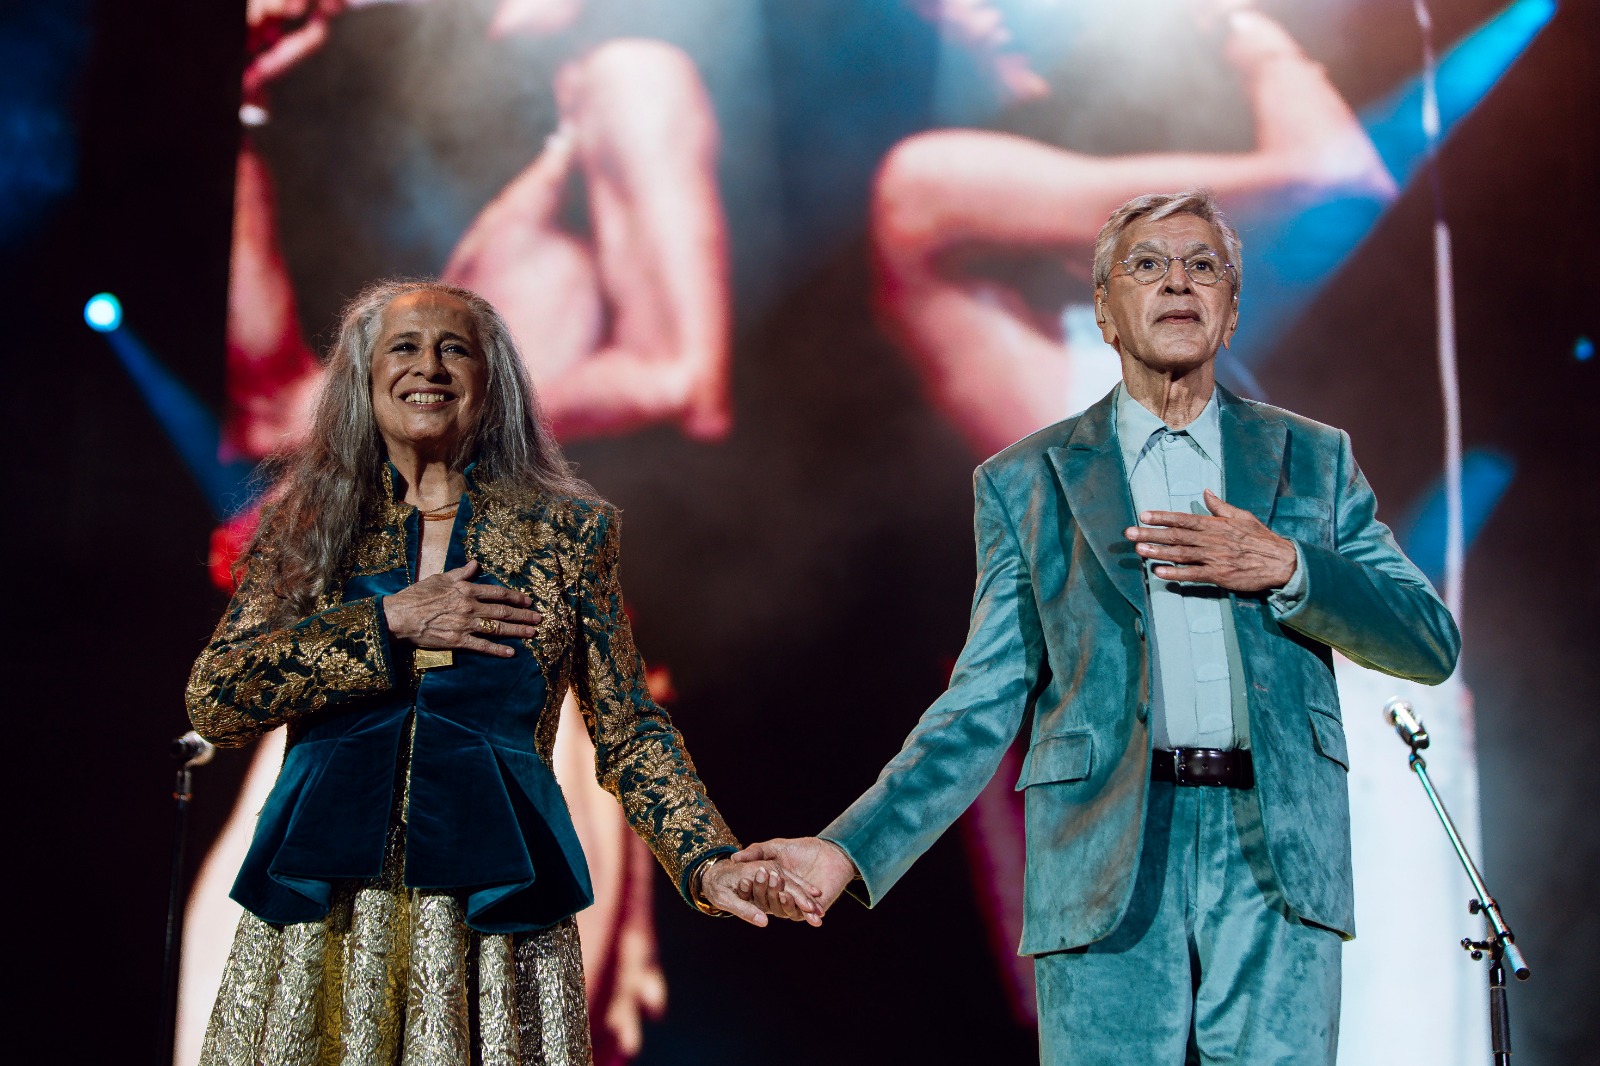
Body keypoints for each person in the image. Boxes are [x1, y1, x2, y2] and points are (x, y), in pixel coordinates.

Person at [735, 190, 1460, 1064]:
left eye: (1204, 266)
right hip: (1107, 856)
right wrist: (849, 850)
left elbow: (1427, 640)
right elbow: (980, 708)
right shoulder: (1027, 480)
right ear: (1106, 313)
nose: (1178, 283)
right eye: (1147, 265)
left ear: (1231, 309)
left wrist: (1290, 569)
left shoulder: (1312, 458)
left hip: (1276, 860)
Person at [186, 279, 816, 1065]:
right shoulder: (309, 526)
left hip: (492, 919)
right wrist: (386, 624)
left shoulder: (566, 538)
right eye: (405, 347)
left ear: (493, 382)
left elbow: (627, 729)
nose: (431, 367)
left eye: (457, 349)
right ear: (365, 376)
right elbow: (217, 697)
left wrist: (706, 860)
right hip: (326, 911)